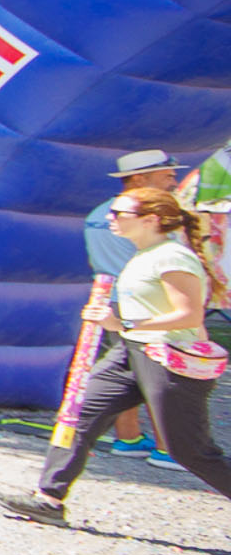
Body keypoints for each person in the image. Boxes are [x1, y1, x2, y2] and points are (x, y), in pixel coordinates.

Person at [0, 185, 231, 522]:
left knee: (190, 451)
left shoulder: (171, 257)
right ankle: (49, 498)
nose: (110, 217)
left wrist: (121, 321)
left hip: (167, 358)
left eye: (119, 213)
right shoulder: (143, 254)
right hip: (130, 351)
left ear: (151, 219)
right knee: (77, 415)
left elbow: (189, 315)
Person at [84, 149, 180, 458]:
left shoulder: (99, 214)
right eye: (167, 176)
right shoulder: (148, 219)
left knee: (127, 372)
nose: (173, 181)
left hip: (111, 301)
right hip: (147, 305)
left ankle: (128, 438)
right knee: (159, 375)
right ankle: (168, 448)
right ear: (139, 178)